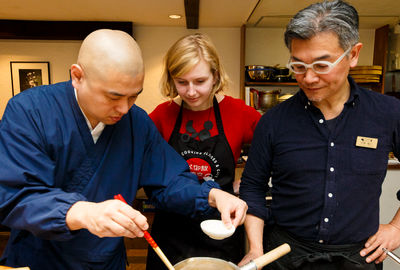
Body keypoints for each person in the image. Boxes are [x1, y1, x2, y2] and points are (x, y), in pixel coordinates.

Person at [0, 29, 248, 270]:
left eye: (134, 97)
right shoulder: (30, 113)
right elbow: (15, 195)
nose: (124, 108)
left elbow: (169, 180)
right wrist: (84, 212)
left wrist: (212, 196)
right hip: (40, 259)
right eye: (113, 97)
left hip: (106, 259)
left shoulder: (136, 122)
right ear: (77, 76)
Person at [239, 0, 400, 269]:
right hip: (285, 256)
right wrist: (256, 248)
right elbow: (253, 187)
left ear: (353, 54)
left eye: (322, 65)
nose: (308, 78)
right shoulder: (274, 121)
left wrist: (396, 228)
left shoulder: (388, 113)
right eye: (298, 66)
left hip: (358, 258)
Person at [146, 33, 261, 269]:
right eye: (182, 82)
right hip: (171, 229)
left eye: (200, 81)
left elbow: (272, 150)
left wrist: (248, 181)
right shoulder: (160, 116)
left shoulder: (238, 112)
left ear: (215, 76)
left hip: (222, 228)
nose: (190, 92)